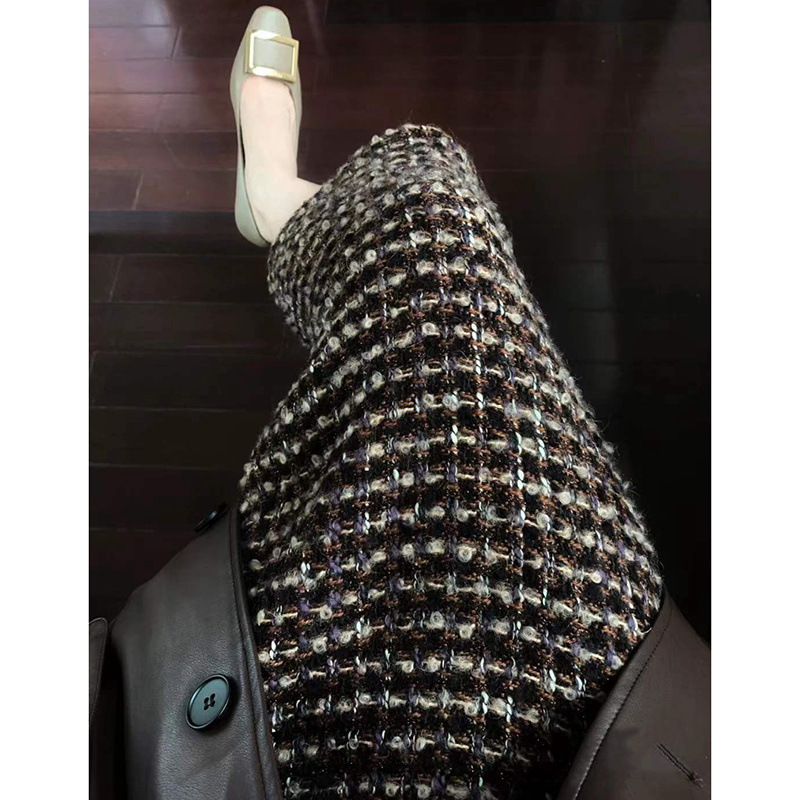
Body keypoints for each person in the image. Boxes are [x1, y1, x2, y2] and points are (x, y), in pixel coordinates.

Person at [90, 8, 710, 800]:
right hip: (632, 744)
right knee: (435, 233)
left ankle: (280, 202)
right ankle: (287, 211)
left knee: (430, 222)